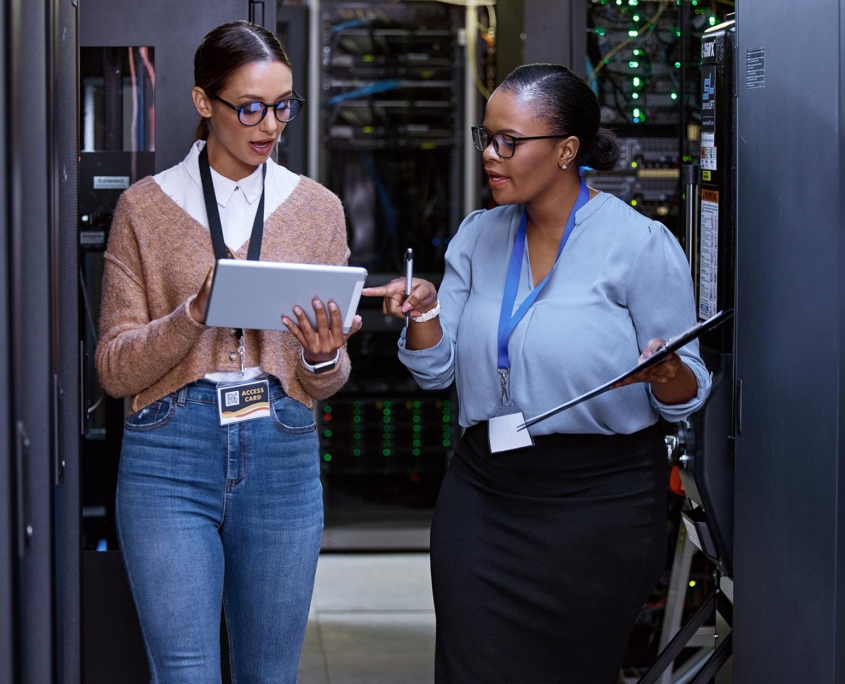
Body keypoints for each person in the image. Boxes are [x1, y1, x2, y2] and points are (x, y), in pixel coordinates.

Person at [362, 63, 712, 684]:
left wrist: (663, 373)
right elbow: (436, 372)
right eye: (486, 138)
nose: (491, 157)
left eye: (510, 142)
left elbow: (687, 389)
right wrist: (425, 312)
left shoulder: (640, 244)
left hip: (598, 505)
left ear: (566, 150)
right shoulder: (476, 236)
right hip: (483, 495)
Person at [95, 21, 361, 683]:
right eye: (250, 106)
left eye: (283, 105)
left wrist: (324, 360)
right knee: (184, 672)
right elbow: (113, 366)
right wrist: (193, 314)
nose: (269, 125)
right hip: (168, 452)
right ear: (204, 102)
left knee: (270, 673)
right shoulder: (145, 209)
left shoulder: (318, 209)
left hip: (283, 446)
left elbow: (324, 381)